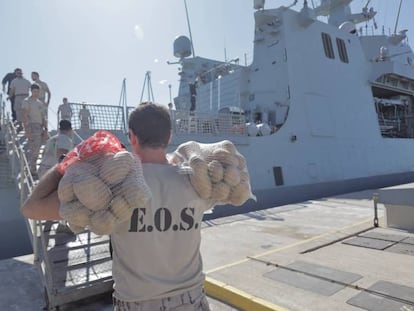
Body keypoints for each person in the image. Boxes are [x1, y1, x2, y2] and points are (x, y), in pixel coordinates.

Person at [21, 102, 214, 311]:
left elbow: (32, 208)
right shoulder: (196, 182)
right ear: (169, 137)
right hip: (193, 301)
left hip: (138, 305)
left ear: (131, 136)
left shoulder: (110, 187)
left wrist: (67, 162)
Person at [21, 84, 47, 176]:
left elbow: (43, 117)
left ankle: (32, 167)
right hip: (32, 126)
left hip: (40, 127)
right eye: (34, 91)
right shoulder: (27, 101)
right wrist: (26, 130)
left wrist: (46, 129)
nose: (36, 93)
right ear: (31, 91)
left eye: (37, 91)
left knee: (38, 148)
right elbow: (24, 115)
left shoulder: (39, 103)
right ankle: (32, 169)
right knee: (34, 148)